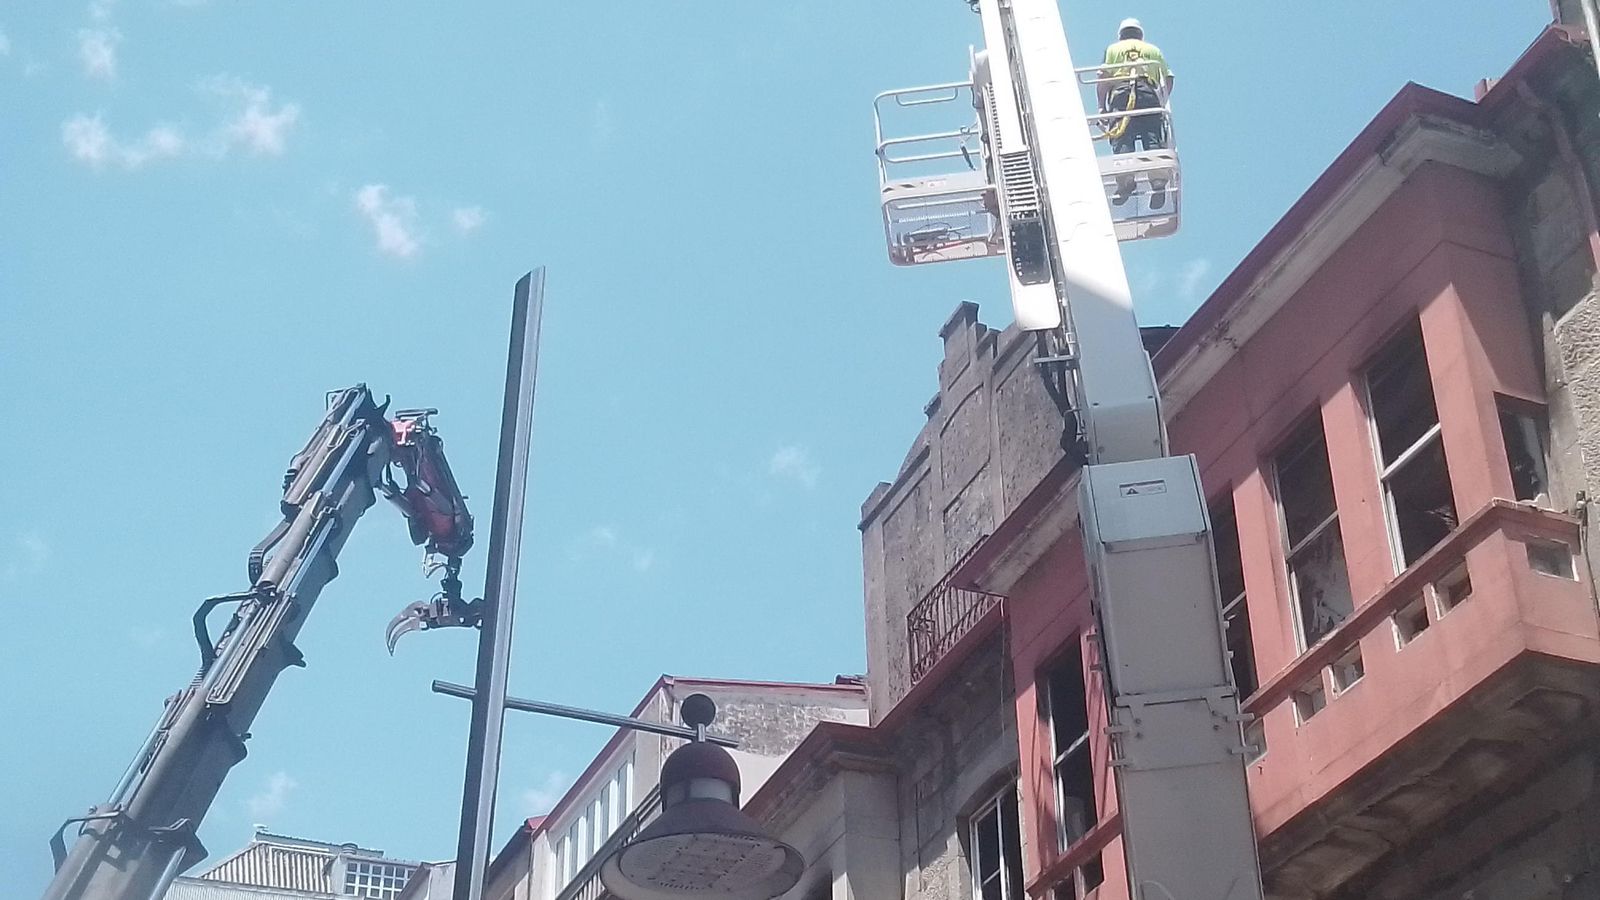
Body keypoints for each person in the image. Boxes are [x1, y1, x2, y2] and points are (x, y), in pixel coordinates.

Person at [1098, 18, 1174, 208]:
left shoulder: (1112, 50)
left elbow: (1102, 78)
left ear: (1121, 34)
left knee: (1122, 139)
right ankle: (1157, 182)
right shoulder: (1153, 50)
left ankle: (1125, 182)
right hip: (1148, 95)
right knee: (1152, 138)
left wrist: (1101, 107)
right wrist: (1162, 102)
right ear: (1140, 34)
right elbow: (1169, 78)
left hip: (1122, 95)